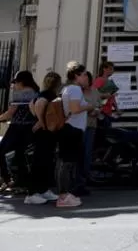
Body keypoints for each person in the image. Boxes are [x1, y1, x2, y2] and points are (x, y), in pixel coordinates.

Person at [56, 63, 90, 208]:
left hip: (69, 128)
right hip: (72, 129)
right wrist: (89, 106)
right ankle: (63, 196)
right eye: (83, 75)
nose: (86, 77)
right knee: (67, 163)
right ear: (76, 76)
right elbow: (75, 109)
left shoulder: (67, 89)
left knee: (66, 163)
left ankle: (65, 194)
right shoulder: (75, 89)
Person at [24, 72, 61, 205]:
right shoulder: (47, 95)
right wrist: (41, 121)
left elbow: (31, 105)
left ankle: (43, 190)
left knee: (45, 162)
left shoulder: (43, 94)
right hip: (44, 133)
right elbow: (39, 104)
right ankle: (32, 193)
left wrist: (39, 119)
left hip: (46, 133)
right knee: (40, 162)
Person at [0, 70, 39, 192]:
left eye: (16, 82)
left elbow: (10, 113)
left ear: (22, 82)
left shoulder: (21, 94)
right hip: (29, 129)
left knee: (1, 150)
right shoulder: (35, 93)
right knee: (20, 154)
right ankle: (22, 181)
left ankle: (7, 179)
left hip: (17, 128)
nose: (14, 85)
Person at [76, 70, 100, 195]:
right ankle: (77, 181)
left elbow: (98, 106)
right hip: (79, 126)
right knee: (78, 154)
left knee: (87, 154)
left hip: (91, 125)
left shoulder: (95, 91)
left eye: (87, 77)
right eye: (82, 77)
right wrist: (88, 109)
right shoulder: (76, 91)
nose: (85, 80)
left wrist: (96, 111)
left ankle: (84, 180)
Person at [91, 60, 118, 126]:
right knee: (102, 133)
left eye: (113, 69)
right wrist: (104, 95)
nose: (112, 70)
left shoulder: (109, 81)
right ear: (104, 69)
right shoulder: (99, 80)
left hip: (108, 112)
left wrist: (117, 109)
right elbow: (93, 93)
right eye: (110, 68)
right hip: (101, 112)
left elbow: (112, 98)